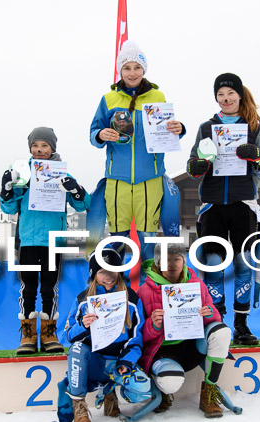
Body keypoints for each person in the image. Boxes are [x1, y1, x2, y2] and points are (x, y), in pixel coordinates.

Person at [186, 73, 260, 345]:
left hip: (244, 203)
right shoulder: (206, 128)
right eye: (220, 95)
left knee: (243, 263)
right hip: (212, 205)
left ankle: (242, 324)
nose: (225, 99)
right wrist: (197, 166)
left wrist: (256, 157)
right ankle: (216, 321)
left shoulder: (254, 127)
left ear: (240, 96)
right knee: (213, 264)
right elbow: (192, 166)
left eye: (230, 94)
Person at [89, 40, 185, 266]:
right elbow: (93, 132)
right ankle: (116, 290)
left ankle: (148, 291)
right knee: (118, 240)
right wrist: (101, 134)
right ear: (120, 70)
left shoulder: (157, 97)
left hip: (149, 180)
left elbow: (167, 131)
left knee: (148, 241)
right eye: (127, 68)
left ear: (144, 70)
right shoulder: (108, 99)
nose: (132, 73)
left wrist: (179, 129)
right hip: (117, 180)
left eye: (137, 67)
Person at [0, 127, 91, 354]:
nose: (39, 150)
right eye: (35, 146)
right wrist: (7, 189)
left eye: (44, 146)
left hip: (53, 241)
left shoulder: (62, 174)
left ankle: (49, 333)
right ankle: (28, 336)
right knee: (28, 287)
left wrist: (75, 189)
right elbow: (9, 207)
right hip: (28, 240)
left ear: (53, 149)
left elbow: (82, 204)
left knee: (49, 287)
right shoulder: (22, 172)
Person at [138, 243, 232, 418]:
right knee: (170, 382)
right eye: (167, 260)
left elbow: (215, 318)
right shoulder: (144, 291)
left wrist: (209, 312)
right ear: (158, 263)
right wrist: (153, 325)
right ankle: (162, 390)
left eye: (177, 259)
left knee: (222, 332)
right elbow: (138, 335)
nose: (172, 264)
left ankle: (209, 391)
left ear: (184, 262)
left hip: (192, 347)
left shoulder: (197, 285)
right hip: (163, 351)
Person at [61, 248, 151, 422]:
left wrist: (127, 361)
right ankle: (78, 404)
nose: (108, 276)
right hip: (93, 360)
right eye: (102, 271)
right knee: (78, 348)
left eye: (112, 270)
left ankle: (110, 390)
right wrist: (82, 326)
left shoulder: (132, 299)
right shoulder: (83, 299)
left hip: (116, 362)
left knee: (143, 390)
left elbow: (136, 338)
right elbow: (66, 337)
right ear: (94, 274)